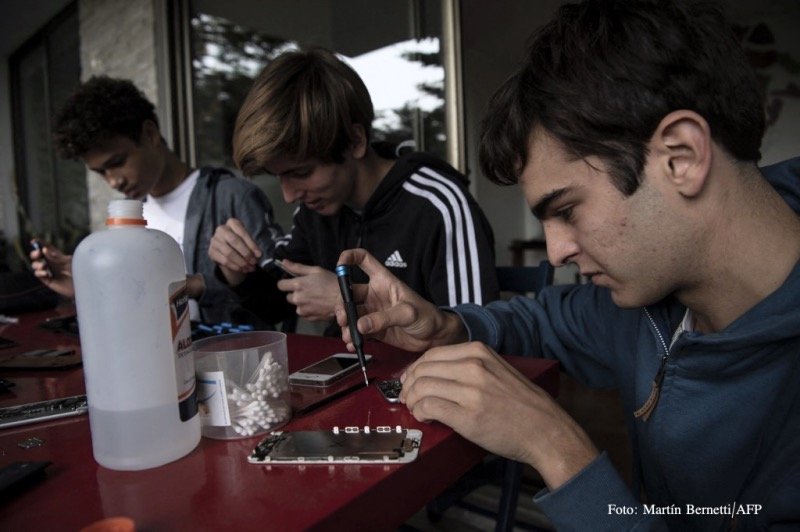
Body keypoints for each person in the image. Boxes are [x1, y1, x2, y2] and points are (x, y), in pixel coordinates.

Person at [335, 1, 800, 529]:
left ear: (681, 158)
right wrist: (449, 325)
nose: (555, 251)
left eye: (567, 209)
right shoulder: (646, 301)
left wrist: (555, 448)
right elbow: (545, 320)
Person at [209, 48, 498, 332]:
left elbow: (476, 338)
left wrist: (348, 299)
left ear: (355, 141)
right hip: (347, 374)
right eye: (278, 176)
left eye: (301, 173)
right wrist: (235, 271)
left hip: (422, 378)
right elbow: (276, 305)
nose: (289, 195)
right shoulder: (314, 212)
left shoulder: (439, 207)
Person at [29, 76, 285, 328]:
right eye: (100, 172)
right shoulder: (128, 221)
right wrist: (85, 287)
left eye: (117, 163)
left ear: (150, 134)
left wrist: (196, 285)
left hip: (225, 363)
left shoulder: (232, 196)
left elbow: (278, 299)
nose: (113, 181)